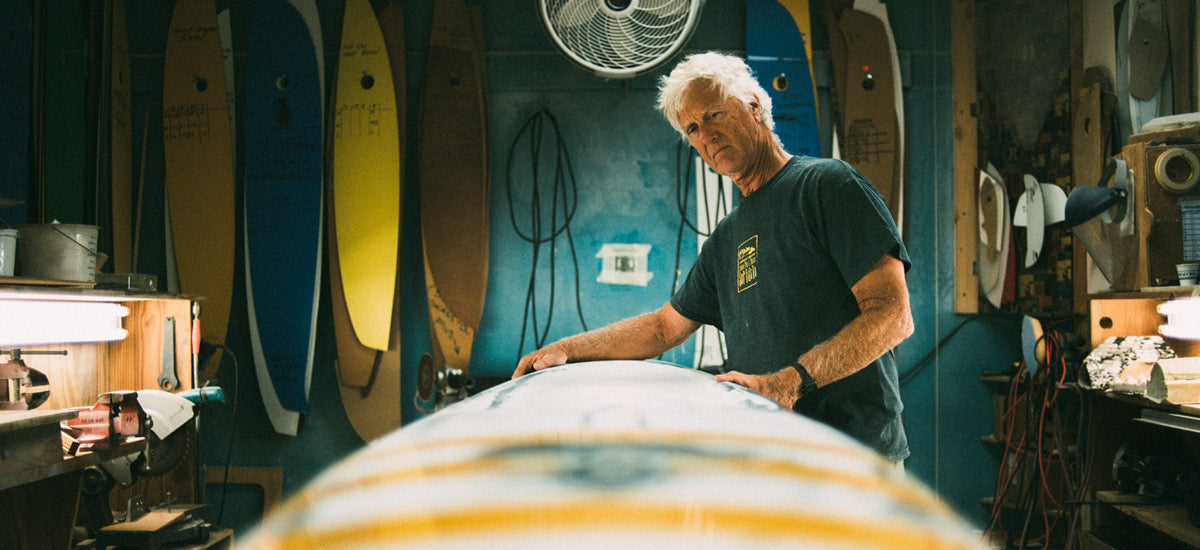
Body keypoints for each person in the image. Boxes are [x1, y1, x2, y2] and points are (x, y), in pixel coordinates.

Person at [512, 51, 914, 463]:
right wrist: (566, 349)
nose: (706, 135)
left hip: (854, 458)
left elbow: (893, 315)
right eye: (692, 128)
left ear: (754, 107)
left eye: (714, 115)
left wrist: (789, 383)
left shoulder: (827, 186)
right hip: (771, 457)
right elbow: (661, 327)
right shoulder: (726, 239)